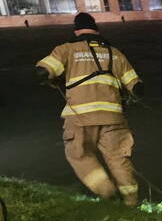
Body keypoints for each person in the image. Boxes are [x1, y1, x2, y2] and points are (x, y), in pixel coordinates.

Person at [35, 12, 145, 206]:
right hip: (114, 118)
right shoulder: (115, 53)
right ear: (97, 30)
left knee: (79, 155)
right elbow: (136, 87)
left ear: (76, 31)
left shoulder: (66, 50)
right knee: (118, 159)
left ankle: (108, 194)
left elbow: (43, 71)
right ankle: (131, 202)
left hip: (79, 118)